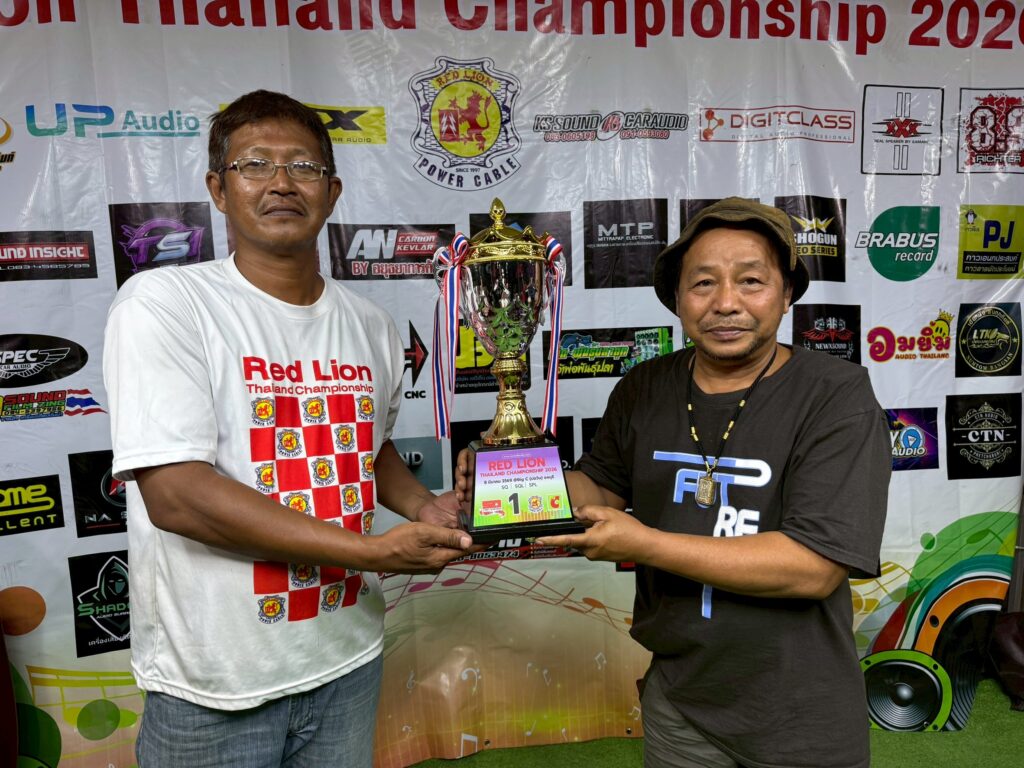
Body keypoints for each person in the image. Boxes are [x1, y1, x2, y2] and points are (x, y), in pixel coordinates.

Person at [104, 90, 473, 768]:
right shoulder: (166, 304)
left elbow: (368, 446)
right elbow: (177, 496)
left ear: (331, 192)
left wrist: (425, 506)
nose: (280, 182)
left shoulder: (371, 325)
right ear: (219, 190)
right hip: (218, 684)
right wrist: (373, 553)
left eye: (302, 166)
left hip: (347, 657)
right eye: (255, 165)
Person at [459, 197, 890, 768]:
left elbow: (813, 568)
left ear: (787, 293)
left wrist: (643, 543)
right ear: (678, 299)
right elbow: (598, 488)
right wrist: (510, 477)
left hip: (799, 714)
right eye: (703, 283)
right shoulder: (644, 386)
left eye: (751, 281)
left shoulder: (836, 394)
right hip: (681, 704)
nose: (726, 302)